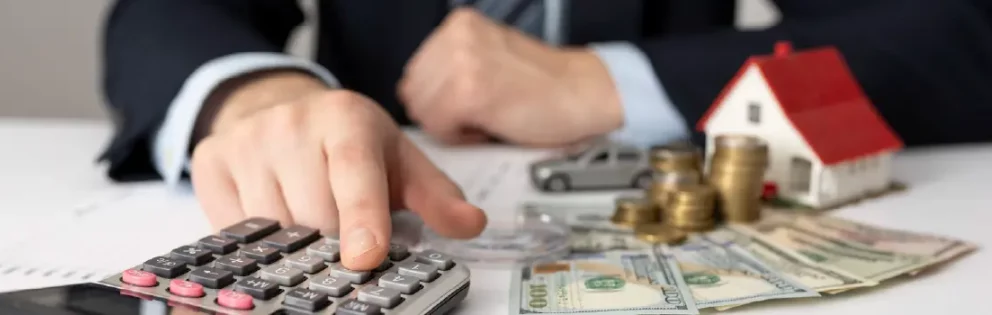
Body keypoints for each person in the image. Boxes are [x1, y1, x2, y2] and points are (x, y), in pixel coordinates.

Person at [99, 0, 992, 271]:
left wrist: (604, 80)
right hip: (382, 186)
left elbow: (952, 27)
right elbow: (163, 9)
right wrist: (257, 94)